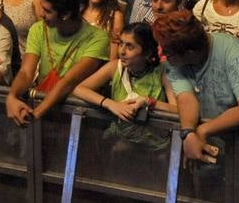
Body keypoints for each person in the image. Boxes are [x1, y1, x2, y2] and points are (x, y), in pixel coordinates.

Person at [157, 9, 239, 163]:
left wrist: (204, 129)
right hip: (211, 146)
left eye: (168, 52)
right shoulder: (175, 63)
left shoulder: (233, 53)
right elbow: (186, 98)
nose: (163, 54)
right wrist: (189, 133)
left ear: (189, 52)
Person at [5, 0, 110, 126]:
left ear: (65, 14)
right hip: (46, 108)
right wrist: (12, 96)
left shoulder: (98, 38)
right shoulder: (38, 29)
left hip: (79, 115)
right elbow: (26, 72)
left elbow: (69, 82)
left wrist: (35, 114)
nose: (41, 14)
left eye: (47, 11)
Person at [72, 22, 179, 150]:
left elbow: (178, 111)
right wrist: (110, 104)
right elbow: (79, 89)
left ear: (147, 52)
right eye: (121, 43)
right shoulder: (114, 67)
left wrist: (149, 102)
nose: (122, 51)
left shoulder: (162, 72)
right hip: (118, 142)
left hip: (154, 148)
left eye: (130, 46)